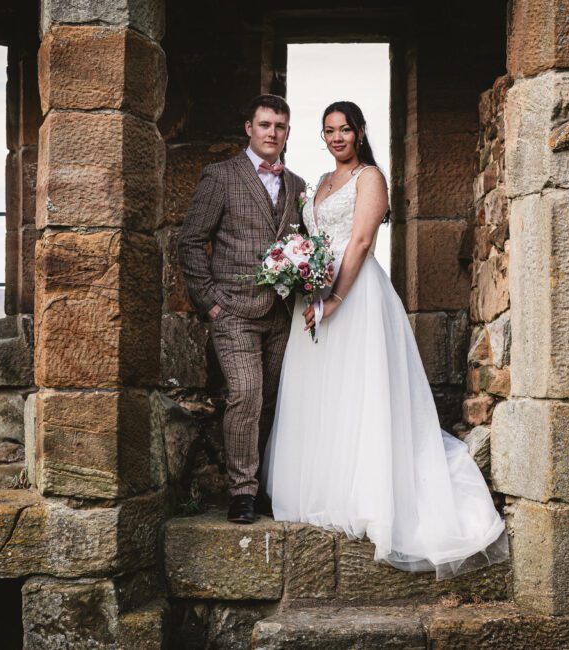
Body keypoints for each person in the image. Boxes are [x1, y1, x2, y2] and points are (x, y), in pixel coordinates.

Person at [263, 101, 508, 577]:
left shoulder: (370, 178)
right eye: (329, 130)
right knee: (321, 395)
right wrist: (303, 280)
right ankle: (324, 488)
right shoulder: (321, 183)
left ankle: (367, 496)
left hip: (355, 298)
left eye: (345, 130)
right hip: (313, 301)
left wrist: (333, 298)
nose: (337, 138)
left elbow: (358, 243)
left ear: (359, 133)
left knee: (359, 392)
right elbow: (314, 243)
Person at [179, 94, 306, 524]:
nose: (273, 133)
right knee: (246, 394)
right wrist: (210, 303)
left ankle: (269, 483)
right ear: (249, 129)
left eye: (281, 126)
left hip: (282, 313)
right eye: (265, 125)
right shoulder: (220, 176)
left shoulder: (298, 186)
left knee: (272, 400)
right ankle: (242, 492)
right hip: (232, 310)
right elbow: (191, 242)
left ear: (288, 133)